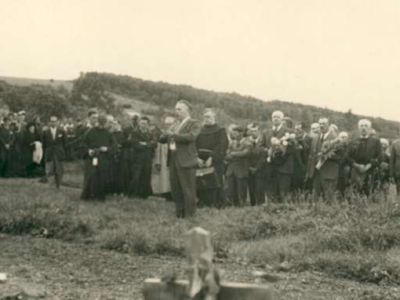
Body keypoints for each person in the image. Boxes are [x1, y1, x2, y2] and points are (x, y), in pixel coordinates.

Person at [160, 100, 201, 218]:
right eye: (176, 109)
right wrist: (164, 135)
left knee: (188, 189)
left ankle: (190, 215)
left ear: (187, 110)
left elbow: (191, 137)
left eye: (179, 109)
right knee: (176, 188)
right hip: (173, 159)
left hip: (186, 160)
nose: (176, 112)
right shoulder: (176, 124)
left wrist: (172, 135)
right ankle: (179, 213)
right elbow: (164, 139)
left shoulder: (194, 123)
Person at [195, 108, 228, 208]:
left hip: (215, 160)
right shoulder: (199, 131)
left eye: (208, 116)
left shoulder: (220, 130)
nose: (206, 119)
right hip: (200, 159)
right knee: (201, 180)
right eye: (205, 117)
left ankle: (216, 203)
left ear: (214, 117)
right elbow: (194, 144)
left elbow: (222, 145)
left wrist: (212, 157)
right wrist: (197, 157)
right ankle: (203, 201)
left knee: (215, 181)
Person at [80, 114, 115, 201]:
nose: (101, 126)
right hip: (91, 158)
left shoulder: (108, 134)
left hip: (103, 159)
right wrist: (88, 151)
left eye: (103, 124)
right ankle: (87, 196)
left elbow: (114, 147)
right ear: (97, 122)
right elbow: (82, 145)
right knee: (90, 176)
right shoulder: (89, 132)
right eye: (100, 123)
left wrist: (106, 149)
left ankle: (100, 196)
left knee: (102, 177)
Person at [307, 118, 341, 203]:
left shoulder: (335, 139)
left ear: (328, 125)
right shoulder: (315, 138)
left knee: (329, 198)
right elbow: (311, 155)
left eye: (324, 124)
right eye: (320, 124)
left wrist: (326, 156)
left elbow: (340, 156)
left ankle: (331, 214)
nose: (321, 126)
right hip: (316, 172)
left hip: (329, 172)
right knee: (315, 197)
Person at [264, 111, 295, 202]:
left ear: (282, 119)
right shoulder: (266, 132)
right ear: (271, 119)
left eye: (278, 117)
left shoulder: (289, 132)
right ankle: (271, 210)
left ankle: (284, 211)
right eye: (274, 117)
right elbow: (260, 146)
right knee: (271, 191)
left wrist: (280, 152)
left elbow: (293, 147)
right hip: (271, 166)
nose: (275, 119)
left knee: (283, 192)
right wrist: (269, 151)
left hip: (284, 167)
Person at [348, 119, 382, 196]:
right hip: (356, 171)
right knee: (355, 193)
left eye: (366, 126)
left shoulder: (376, 141)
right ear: (358, 128)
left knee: (368, 193)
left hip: (370, 171)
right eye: (361, 126)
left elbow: (380, 157)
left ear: (369, 129)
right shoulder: (352, 141)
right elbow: (347, 156)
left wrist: (369, 166)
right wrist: (356, 165)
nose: (363, 128)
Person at [129, 116, 157, 199]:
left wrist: (144, 144)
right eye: (141, 123)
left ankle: (144, 195)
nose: (143, 125)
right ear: (139, 123)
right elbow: (134, 144)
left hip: (148, 158)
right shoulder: (134, 133)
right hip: (137, 158)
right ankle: (132, 194)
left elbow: (155, 143)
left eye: (145, 123)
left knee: (146, 176)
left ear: (148, 124)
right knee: (136, 176)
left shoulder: (150, 133)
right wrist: (148, 144)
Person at [225, 126, 252, 206]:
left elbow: (245, 153)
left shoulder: (247, 143)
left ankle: (242, 205)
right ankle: (232, 205)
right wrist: (233, 154)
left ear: (241, 133)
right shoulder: (231, 143)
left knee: (241, 189)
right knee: (230, 189)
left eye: (236, 133)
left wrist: (233, 154)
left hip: (242, 169)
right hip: (231, 170)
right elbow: (226, 154)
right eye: (233, 133)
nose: (234, 134)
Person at [40, 116, 66, 189]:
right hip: (49, 152)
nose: (53, 123)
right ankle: (51, 185)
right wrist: (46, 151)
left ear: (57, 122)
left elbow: (65, 143)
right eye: (52, 121)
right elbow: (43, 144)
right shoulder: (45, 132)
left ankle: (58, 185)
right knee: (49, 169)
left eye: (54, 121)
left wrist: (62, 151)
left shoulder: (62, 131)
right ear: (49, 122)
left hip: (59, 153)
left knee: (59, 169)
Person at [247, 123, 267, 206]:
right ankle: (252, 205)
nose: (253, 133)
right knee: (251, 188)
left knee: (259, 188)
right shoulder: (247, 141)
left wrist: (257, 168)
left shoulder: (262, 141)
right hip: (249, 168)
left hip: (260, 169)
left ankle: (260, 204)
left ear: (258, 131)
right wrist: (249, 167)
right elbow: (245, 156)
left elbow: (263, 157)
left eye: (255, 131)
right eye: (251, 131)